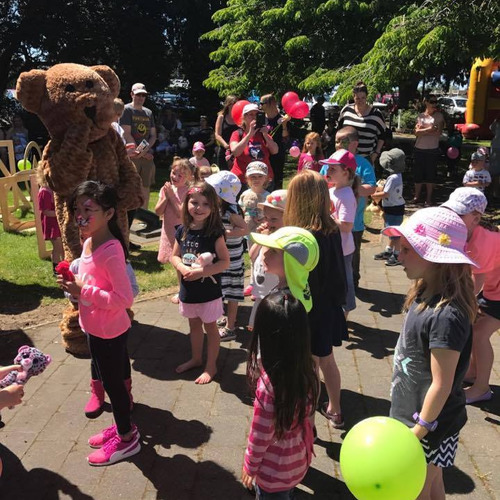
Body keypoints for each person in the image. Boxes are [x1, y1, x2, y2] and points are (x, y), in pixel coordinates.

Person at [385, 206, 477, 498]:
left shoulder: (447, 316)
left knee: (416, 489)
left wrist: (419, 430)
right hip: (417, 414)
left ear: (434, 258)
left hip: (430, 424)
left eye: (407, 250)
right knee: (432, 482)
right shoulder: (423, 292)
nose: (398, 256)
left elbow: (442, 383)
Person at [57, 181, 140, 466]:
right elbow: (90, 279)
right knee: (108, 379)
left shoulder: (112, 250)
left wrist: (83, 292)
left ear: (109, 213)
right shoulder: (90, 240)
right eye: (77, 208)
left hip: (110, 331)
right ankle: (120, 427)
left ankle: (128, 439)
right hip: (93, 326)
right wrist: (73, 282)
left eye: (88, 209)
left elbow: (123, 298)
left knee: (114, 386)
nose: (80, 215)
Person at [284, 170, 348, 429]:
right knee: (327, 359)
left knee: (309, 367)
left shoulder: (300, 237)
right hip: (329, 306)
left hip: (307, 309)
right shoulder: (331, 228)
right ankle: (336, 409)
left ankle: (307, 421)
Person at [241, 290, 319, 499]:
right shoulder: (307, 369)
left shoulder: (268, 388)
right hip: (297, 461)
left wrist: (249, 466)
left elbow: (259, 437)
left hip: (273, 473)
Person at [441, 188, 499, 405]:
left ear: (475, 218)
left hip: (497, 293)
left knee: (479, 334)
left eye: (457, 215)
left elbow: (476, 283)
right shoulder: (465, 234)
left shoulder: (483, 242)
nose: (450, 218)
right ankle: (473, 372)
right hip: (493, 291)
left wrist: (456, 303)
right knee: (476, 330)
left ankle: (482, 388)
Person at [170, 182, 230, 384]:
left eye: (205, 204)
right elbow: (174, 256)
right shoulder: (183, 230)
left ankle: (210, 366)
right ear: (186, 203)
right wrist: (183, 268)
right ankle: (196, 358)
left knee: (210, 328)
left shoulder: (215, 232)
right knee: (194, 325)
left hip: (209, 292)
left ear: (213, 207)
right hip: (188, 290)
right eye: (194, 202)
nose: (199, 208)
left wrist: (202, 271)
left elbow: (224, 261)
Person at [320, 126, 376, 289]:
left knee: (352, 254)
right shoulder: (332, 161)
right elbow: (324, 181)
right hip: (331, 221)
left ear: (354, 144)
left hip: (355, 221)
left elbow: (371, 188)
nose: (337, 144)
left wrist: (350, 188)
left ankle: (353, 283)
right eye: (336, 140)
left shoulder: (363, 164)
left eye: (342, 141)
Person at [206, 171, 248, 341]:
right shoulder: (212, 207)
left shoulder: (232, 210)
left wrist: (223, 233)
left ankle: (231, 327)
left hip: (232, 259)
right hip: (219, 257)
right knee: (219, 289)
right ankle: (222, 316)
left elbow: (244, 229)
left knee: (231, 292)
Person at [320, 150, 358, 316]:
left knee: (344, 281)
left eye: (332, 169)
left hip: (342, 248)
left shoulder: (347, 196)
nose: (327, 172)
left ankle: (345, 312)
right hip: (332, 245)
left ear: (346, 172)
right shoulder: (332, 190)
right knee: (332, 279)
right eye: (328, 169)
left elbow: (347, 226)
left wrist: (324, 217)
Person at [247, 189, 287, 329]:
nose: (268, 222)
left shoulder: (285, 241)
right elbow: (252, 257)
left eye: (274, 219)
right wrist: (261, 239)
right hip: (261, 296)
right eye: (266, 218)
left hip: (277, 299)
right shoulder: (267, 236)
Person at [155, 158, 193, 304]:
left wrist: (171, 195)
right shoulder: (167, 189)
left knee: (184, 262)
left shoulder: (188, 191)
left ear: (189, 177)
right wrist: (166, 196)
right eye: (173, 172)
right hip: (169, 232)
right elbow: (158, 211)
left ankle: (185, 291)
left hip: (182, 233)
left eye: (180, 175)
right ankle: (182, 290)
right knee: (176, 263)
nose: (175, 177)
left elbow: (181, 214)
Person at [120, 83, 157, 210]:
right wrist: (139, 152)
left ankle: (144, 216)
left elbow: (153, 135)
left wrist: (143, 151)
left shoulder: (148, 112)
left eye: (143, 95)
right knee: (131, 186)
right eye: (138, 95)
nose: (141, 97)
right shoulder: (126, 110)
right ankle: (129, 215)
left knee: (145, 187)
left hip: (145, 156)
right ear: (132, 94)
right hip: (131, 155)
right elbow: (126, 133)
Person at [371, 148, 406, 266]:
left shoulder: (393, 178)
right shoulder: (397, 175)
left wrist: (373, 194)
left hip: (393, 208)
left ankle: (397, 254)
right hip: (395, 206)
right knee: (391, 230)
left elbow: (386, 193)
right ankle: (389, 250)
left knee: (394, 233)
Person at [230, 103, 278, 186]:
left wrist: (266, 135)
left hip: (264, 180)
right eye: (250, 114)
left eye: (257, 114)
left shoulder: (263, 134)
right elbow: (235, 152)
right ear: (244, 117)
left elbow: (275, 150)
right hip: (242, 180)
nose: (254, 117)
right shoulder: (237, 134)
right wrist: (249, 135)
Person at [338, 81, 386, 163]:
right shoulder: (346, 110)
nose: (360, 101)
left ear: (367, 97)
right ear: (353, 98)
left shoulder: (376, 114)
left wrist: (376, 153)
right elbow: (339, 130)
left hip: (366, 158)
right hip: (346, 156)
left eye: (363, 98)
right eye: (357, 98)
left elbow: (383, 135)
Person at [412, 95, 445, 206]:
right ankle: (416, 196)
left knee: (430, 175)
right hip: (419, 148)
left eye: (436, 102)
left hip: (432, 149)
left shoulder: (439, 116)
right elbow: (416, 132)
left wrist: (423, 130)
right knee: (418, 174)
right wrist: (429, 129)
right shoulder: (420, 116)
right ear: (426, 102)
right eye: (432, 102)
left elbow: (438, 132)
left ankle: (428, 198)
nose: (434, 104)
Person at [260, 94, 291, 189]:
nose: (260, 106)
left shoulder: (282, 119)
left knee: (277, 181)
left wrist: (284, 125)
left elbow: (285, 139)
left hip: (277, 155)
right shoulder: (261, 118)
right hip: (263, 154)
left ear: (271, 103)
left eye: (262, 103)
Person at [37, 170, 63, 275]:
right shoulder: (44, 192)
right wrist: (59, 213)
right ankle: (56, 269)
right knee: (57, 247)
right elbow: (46, 211)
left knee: (61, 246)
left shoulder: (54, 190)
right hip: (51, 224)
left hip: (56, 223)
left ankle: (64, 267)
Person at [214, 95, 239, 170]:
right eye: (233, 103)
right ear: (228, 104)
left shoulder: (240, 117)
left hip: (237, 149)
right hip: (224, 149)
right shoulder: (221, 117)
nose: (235, 105)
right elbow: (217, 135)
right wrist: (226, 145)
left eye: (236, 103)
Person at [489, 118, 500, 198]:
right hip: (496, 147)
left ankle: (494, 192)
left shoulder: (497, 121)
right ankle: (495, 192)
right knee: (496, 172)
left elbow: (491, 129)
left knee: (495, 171)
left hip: (496, 146)